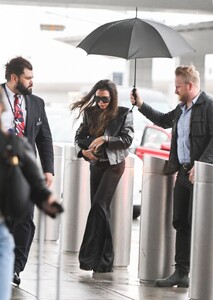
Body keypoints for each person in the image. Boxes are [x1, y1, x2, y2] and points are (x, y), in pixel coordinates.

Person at [130, 65, 213, 287]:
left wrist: (202, 164)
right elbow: (163, 120)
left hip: (204, 176)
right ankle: (182, 273)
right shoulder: (180, 110)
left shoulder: (209, 106)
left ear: (190, 85)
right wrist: (140, 105)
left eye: (178, 86)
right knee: (181, 222)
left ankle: (203, 275)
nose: (175, 90)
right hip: (184, 174)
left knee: (202, 225)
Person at [0, 86, 63, 300]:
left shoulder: (16, 140)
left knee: (24, 221)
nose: (31, 81)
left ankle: (15, 268)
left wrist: (46, 189)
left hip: (19, 177)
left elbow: (44, 138)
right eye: (28, 77)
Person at [70, 79, 134, 273]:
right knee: (101, 210)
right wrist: (82, 152)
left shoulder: (124, 113)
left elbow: (127, 140)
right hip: (96, 164)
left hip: (114, 165)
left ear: (112, 97)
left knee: (99, 206)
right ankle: (103, 262)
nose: (100, 103)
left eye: (105, 99)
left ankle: (90, 256)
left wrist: (105, 139)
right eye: (97, 98)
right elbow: (78, 138)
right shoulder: (91, 113)